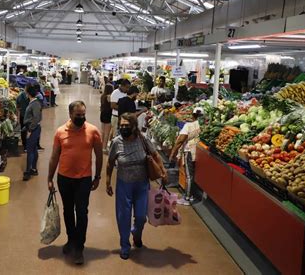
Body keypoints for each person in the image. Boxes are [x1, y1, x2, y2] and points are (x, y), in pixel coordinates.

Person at [47, 101, 103, 265]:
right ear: (70, 114)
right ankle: (71, 240)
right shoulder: (60, 132)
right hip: (64, 178)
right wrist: (49, 178)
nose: (81, 118)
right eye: (78, 115)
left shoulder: (93, 131)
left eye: (83, 114)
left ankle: (79, 247)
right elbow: (54, 156)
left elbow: (99, 156)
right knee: (68, 211)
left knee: (82, 212)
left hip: (84, 179)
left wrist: (98, 177)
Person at [106, 113, 166, 260]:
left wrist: (163, 172)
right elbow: (110, 162)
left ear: (133, 126)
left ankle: (136, 233)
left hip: (142, 184)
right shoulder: (116, 142)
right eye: (121, 126)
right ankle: (125, 246)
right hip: (124, 185)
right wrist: (107, 181)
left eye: (127, 126)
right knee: (123, 217)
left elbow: (156, 155)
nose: (123, 128)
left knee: (141, 217)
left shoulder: (143, 139)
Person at [169, 107, 203, 205]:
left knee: (189, 175)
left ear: (193, 115)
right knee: (192, 174)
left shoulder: (188, 125)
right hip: (198, 152)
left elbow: (180, 140)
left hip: (189, 151)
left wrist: (172, 153)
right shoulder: (201, 125)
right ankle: (190, 195)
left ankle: (187, 198)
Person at [22, 84, 43, 181]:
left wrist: (30, 129)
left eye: (25, 91)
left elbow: (36, 118)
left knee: (30, 150)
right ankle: (34, 168)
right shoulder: (33, 103)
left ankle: (28, 171)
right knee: (34, 149)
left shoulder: (35, 104)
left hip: (33, 129)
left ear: (28, 93)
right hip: (32, 128)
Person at [16, 85, 31, 151]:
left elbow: (18, 108)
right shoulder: (31, 96)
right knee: (28, 130)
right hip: (28, 116)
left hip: (23, 115)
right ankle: (27, 145)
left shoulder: (19, 96)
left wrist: (18, 117)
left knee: (23, 131)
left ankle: (25, 145)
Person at [100, 84, 114, 153]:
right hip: (108, 114)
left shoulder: (102, 96)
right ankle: (104, 148)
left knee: (103, 131)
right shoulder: (109, 96)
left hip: (102, 113)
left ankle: (102, 146)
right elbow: (112, 106)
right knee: (107, 133)